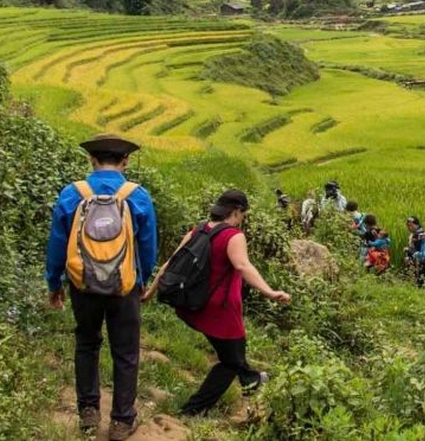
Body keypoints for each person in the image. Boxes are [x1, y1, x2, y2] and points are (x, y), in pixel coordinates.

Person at [45, 134, 157, 440]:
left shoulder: (72, 194)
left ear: (91, 160)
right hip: (125, 287)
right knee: (126, 352)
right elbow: (148, 248)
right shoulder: (138, 196)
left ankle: (88, 413)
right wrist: (142, 281)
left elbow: (56, 244)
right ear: (125, 161)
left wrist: (54, 283)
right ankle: (122, 421)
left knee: (86, 343)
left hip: (83, 285)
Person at [146, 189, 290, 416]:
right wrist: (270, 292)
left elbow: (171, 263)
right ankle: (192, 410)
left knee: (233, 353)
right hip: (221, 311)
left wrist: (149, 292)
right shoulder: (234, 235)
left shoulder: (198, 229)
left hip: (194, 305)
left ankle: (251, 379)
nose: (243, 219)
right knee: (231, 360)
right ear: (236, 211)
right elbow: (243, 266)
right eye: (243, 214)